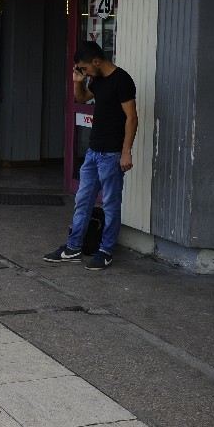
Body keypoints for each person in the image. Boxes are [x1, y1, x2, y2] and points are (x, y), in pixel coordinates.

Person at [43, 42, 137, 270]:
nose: (84, 72)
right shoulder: (97, 79)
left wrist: (126, 151)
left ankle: (105, 250)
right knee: (82, 200)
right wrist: (78, 82)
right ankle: (73, 247)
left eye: (84, 68)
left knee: (111, 203)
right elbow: (82, 98)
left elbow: (132, 118)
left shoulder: (122, 80)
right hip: (93, 152)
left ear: (96, 61)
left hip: (112, 153)